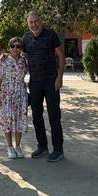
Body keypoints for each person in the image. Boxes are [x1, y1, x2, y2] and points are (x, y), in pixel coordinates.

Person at [23, 11, 65, 162]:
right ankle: (42, 146)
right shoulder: (26, 38)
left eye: (36, 21)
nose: (34, 24)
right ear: (28, 24)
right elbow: (19, 54)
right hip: (35, 82)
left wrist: (59, 77)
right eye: (31, 22)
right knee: (36, 115)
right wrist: (5, 56)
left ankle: (58, 149)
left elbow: (61, 56)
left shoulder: (51, 34)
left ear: (41, 21)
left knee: (54, 115)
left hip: (51, 80)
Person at [0, 36, 28, 159]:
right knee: (7, 120)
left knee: (19, 120)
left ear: (21, 48)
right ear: (10, 47)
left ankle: (18, 146)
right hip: (6, 94)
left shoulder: (24, 61)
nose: (15, 49)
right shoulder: (4, 60)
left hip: (20, 94)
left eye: (18, 46)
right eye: (13, 46)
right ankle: (10, 147)